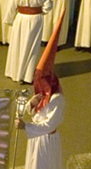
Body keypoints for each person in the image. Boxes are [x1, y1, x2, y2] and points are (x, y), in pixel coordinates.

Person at [22, 14, 66, 169]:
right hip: (36, 137)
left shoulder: (57, 99)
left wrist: (26, 127)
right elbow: (34, 113)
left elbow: (48, 125)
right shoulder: (42, 94)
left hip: (46, 139)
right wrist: (31, 104)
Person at [4, 0, 52, 84]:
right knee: (31, 47)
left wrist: (9, 19)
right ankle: (27, 75)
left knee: (17, 44)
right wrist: (41, 11)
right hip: (35, 19)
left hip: (20, 18)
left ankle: (14, 72)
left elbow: (12, 4)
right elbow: (48, 6)